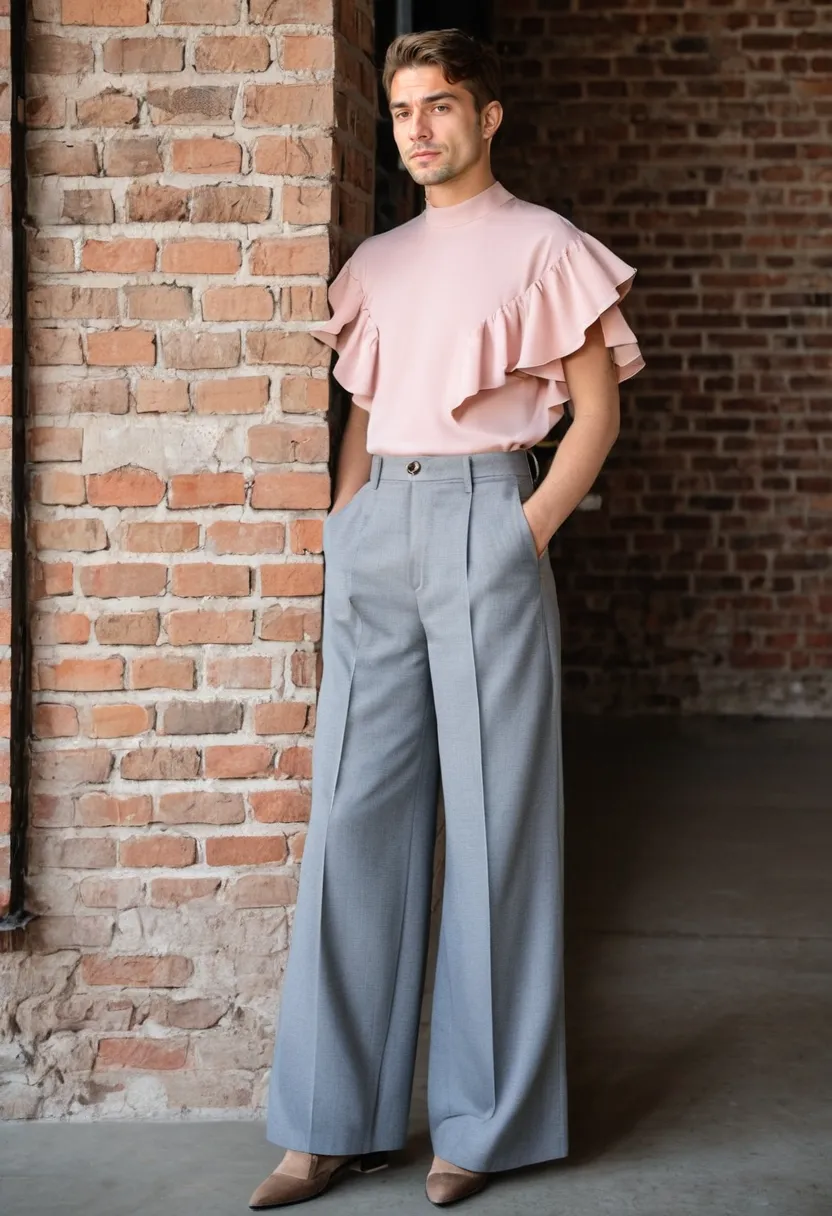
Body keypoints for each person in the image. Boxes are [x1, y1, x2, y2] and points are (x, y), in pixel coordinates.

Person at [249, 27, 645, 1211]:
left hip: (487, 518)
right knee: (353, 825)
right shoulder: (375, 260)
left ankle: (485, 1124)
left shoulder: (546, 246)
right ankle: (328, 1120)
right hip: (379, 532)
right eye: (403, 110)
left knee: (494, 830)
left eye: (439, 105)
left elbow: (592, 417)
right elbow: (362, 412)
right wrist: (344, 526)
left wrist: (520, 535)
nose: (418, 128)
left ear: (488, 116)